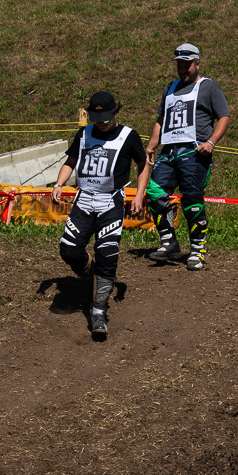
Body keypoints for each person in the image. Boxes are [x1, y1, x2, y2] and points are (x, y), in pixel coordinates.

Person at [51, 92, 149, 336]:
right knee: (69, 249)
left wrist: (139, 194)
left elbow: (144, 164)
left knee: (107, 255)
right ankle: (90, 272)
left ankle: (98, 310)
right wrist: (59, 184)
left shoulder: (129, 136)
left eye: (105, 117)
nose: (102, 123)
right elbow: (70, 160)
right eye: (97, 118)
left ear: (114, 112)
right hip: (83, 199)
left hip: (111, 202)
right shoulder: (84, 133)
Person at [144, 43, 230, 271]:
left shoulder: (209, 87)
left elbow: (224, 117)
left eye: (187, 66)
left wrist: (211, 142)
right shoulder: (170, 88)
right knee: (153, 194)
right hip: (169, 151)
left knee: (192, 201)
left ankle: (197, 250)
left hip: (194, 153)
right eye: (179, 66)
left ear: (197, 63)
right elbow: (161, 119)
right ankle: (169, 243)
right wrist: (151, 145)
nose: (182, 70)